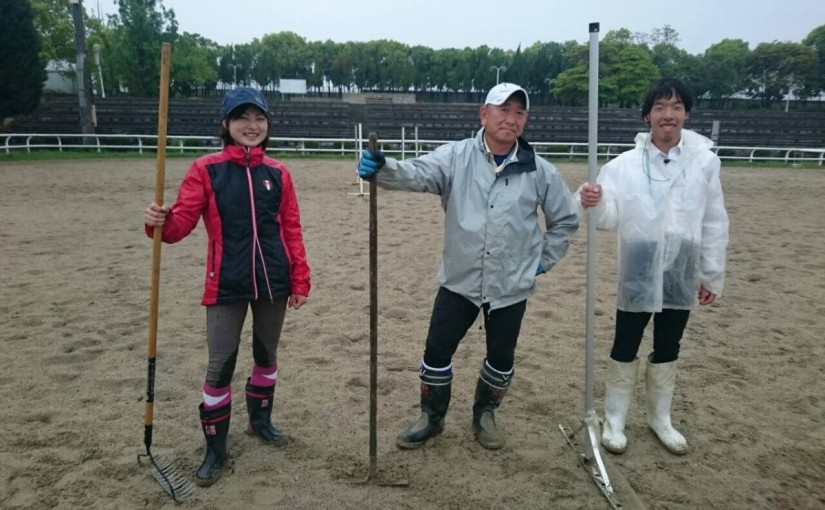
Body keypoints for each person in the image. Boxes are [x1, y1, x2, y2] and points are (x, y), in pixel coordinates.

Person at [358, 83, 579, 450]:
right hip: (460, 279)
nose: (511, 118)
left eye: (519, 112)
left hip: (511, 285)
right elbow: (416, 173)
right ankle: (432, 416)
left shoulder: (541, 171)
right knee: (436, 351)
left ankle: (485, 414)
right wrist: (383, 168)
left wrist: (541, 262)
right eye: (503, 109)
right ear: (484, 113)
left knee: (501, 356)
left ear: (525, 120)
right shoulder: (456, 156)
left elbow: (565, 221)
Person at [143, 87, 311, 486]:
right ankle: (216, 449)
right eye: (242, 118)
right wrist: (157, 220)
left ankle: (260, 422)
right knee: (220, 366)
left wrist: (300, 278)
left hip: (274, 280)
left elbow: (291, 229)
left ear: (268, 125)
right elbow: (179, 227)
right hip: (226, 282)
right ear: (226, 124)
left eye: (259, 119)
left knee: (266, 355)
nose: (251, 126)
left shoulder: (279, 173)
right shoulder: (206, 169)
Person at [576, 77, 729, 455]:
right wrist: (590, 200)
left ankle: (660, 417)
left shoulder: (705, 163)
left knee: (668, 343)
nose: (669, 115)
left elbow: (714, 219)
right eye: (660, 107)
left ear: (686, 114)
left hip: (682, 264)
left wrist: (711, 272)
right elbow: (607, 217)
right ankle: (615, 417)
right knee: (626, 340)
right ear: (647, 115)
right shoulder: (623, 166)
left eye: (676, 107)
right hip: (640, 264)